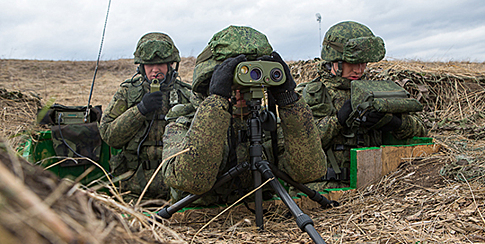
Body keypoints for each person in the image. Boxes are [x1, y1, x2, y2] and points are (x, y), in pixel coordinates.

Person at [160, 25, 327, 205]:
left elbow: (310, 172)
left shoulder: (268, 123)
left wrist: (289, 102)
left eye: (248, 85)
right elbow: (190, 181)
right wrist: (217, 102)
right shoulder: (183, 123)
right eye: (232, 86)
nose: (240, 94)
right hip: (201, 216)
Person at [296, 21, 427, 190]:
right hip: (325, 188)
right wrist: (337, 121)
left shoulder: (376, 91)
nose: (359, 69)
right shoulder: (308, 93)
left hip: (376, 184)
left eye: (363, 63)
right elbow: (294, 145)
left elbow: (421, 130)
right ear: (335, 61)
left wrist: (394, 123)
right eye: (353, 63)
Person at [98, 32, 192, 199]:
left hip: (177, 193)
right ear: (141, 67)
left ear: (171, 65)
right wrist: (140, 110)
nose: (155, 70)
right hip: (133, 190)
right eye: (149, 65)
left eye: (161, 64)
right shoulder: (128, 92)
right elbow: (109, 135)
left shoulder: (185, 94)